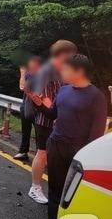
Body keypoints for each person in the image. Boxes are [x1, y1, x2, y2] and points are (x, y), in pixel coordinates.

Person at [29, 54, 107, 219]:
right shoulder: (63, 90)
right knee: (55, 189)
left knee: (73, 193)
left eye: (66, 69)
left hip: (78, 150)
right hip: (56, 145)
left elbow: (96, 134)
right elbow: (53, 114)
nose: (61, 72)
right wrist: (39, 104)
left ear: (79, 71)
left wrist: (85, 157)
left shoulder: (96, 97)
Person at [28, 40, 77, 204]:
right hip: (46, 118)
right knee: (42, 153)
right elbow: (44, 97)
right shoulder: (47, 71)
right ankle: (35, 188)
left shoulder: (63, 70)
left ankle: (58, 189)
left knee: (56, 155)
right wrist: (55, 115)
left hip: (60, 118)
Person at [14, 56, 42, 161]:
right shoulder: (29, 74)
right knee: (25, 129)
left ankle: (40, 155)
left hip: (38, 106)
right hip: (27, 103)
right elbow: (22, 87)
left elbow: (23, 86)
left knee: (39, 132)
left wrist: (22, 72)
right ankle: (23, 151)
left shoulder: (41, 76)